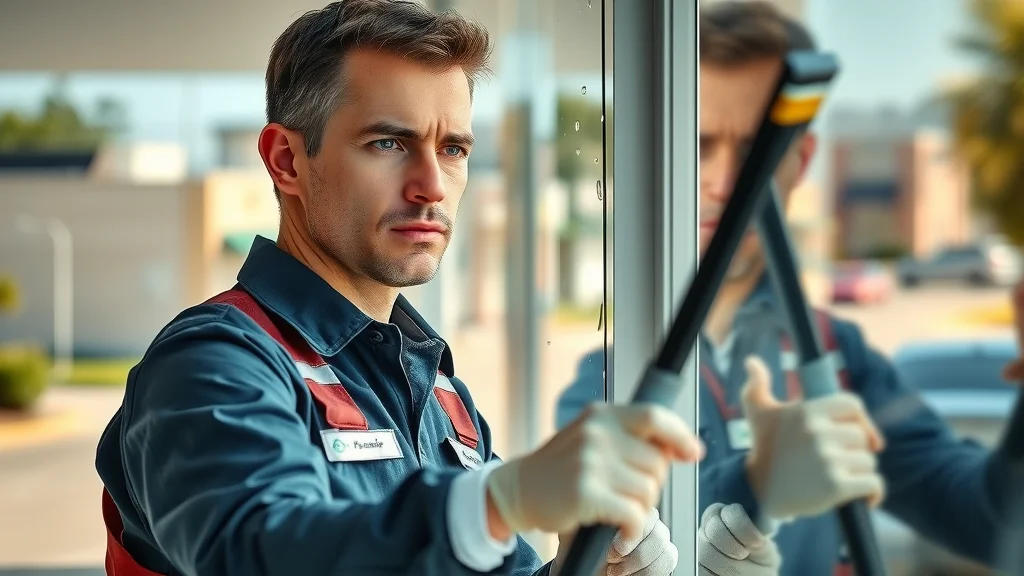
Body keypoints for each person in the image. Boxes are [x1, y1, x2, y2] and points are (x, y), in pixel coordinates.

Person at [93, 2, 701, 575]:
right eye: (388, 143)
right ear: (286, 160)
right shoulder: (213, 363)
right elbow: (260, 550)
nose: (431, 185)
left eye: (453, 148)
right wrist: (494, 503)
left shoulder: (439, 393)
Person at [557, 2, 1022, 575]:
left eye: (757, 150)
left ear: (799, 161)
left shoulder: (838, 356)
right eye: (700, 145)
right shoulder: (610, 378)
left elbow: (993, 523)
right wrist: (758, 481)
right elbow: (604, 543)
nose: (725, 182)